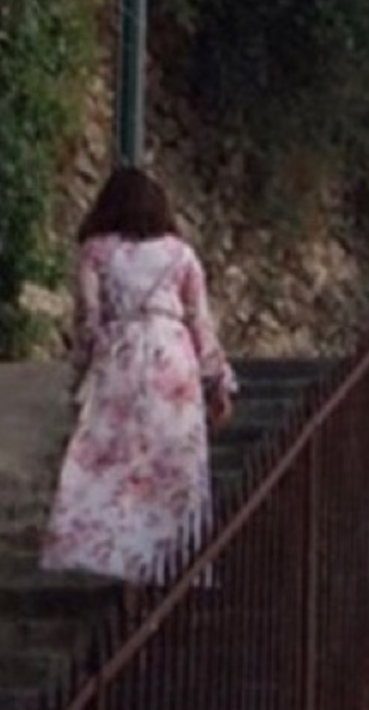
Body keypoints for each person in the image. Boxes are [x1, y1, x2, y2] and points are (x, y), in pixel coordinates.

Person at [40, 167, 237, 586]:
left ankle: (112, 557)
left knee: (111, 463)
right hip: (173, 358)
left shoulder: (95, 252)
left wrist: (81, 374)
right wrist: (219, 382)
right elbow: (201, 323)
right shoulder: (181, 255)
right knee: (172, 465)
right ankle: (174, 563)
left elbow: (88, 323)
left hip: (120, 357)